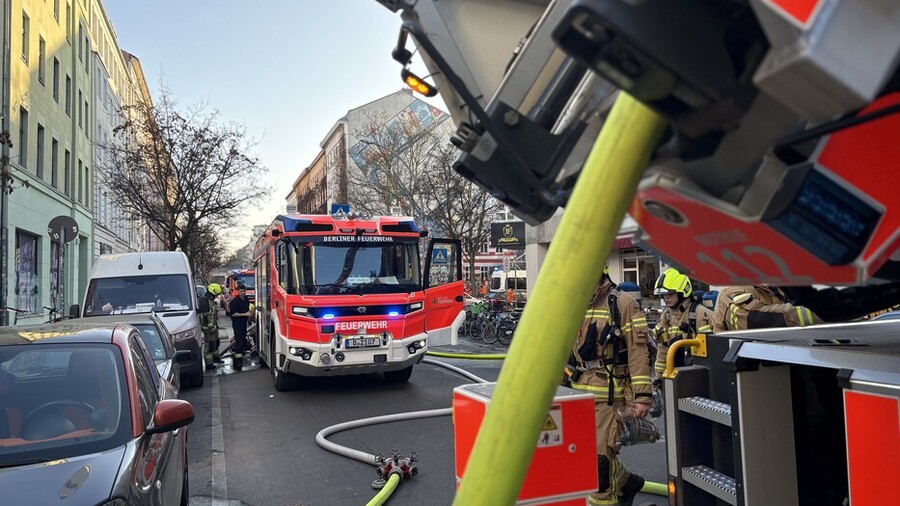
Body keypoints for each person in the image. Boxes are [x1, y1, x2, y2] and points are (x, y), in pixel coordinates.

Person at [567, 264, 651, 505]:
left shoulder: (622, 303)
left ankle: (607, 498)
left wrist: (642, 396)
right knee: (583, 457)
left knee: (599, 466)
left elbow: (637, 351)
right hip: (576, 393)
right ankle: (627, 482)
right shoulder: (574, 302)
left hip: (609, 395)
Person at [651, 268, 713, 376]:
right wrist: (659, 377)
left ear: (682, 292)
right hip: (674, 372)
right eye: (663, 295)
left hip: (696, 372)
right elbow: (662, 348)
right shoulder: (667, 315)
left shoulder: (700, 313)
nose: (666, 298)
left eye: (670, 294)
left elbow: (711, 348)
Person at [711, 285, 823, 333]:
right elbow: (757, 320)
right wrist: (820, 311)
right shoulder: (731, 291)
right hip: (752, 371)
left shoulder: (778, 288)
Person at [225, 283, 252, 371]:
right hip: (237, 323)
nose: (243, 293)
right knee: (239, 342)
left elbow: (248, 310)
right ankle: (238, 363)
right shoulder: (235, 301)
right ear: (238, 291)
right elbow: (233, 314)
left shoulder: (246, 300)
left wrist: (249, 317)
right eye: (241, 291)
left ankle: (239, 359)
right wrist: (245, 314)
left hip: (244, 323)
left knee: (242, 341)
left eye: (244, 291)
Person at [200, 283, 223, 369]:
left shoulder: (210, 300)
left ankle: (215, 358)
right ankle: (209, 364)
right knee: (209, 345)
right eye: (217, 294)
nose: (217, 296)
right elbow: (206, 315)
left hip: (213, 326)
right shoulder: (207, 301)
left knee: (216, 342)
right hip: (209, 328)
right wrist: (210, 326)